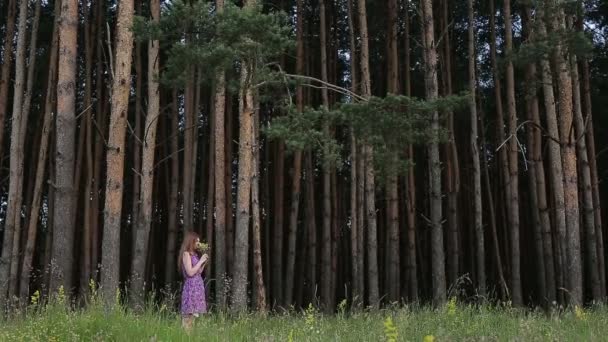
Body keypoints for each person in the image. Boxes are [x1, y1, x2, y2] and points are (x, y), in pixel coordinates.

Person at [178, 230, 208, 331]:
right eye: (197, 242)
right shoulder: (186, 254)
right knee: (188, 316)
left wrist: (203, 263)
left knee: (193, 318)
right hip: (191, 288)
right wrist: (201, 261)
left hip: (197, 287)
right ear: (191, 241)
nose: (198, 244)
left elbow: (198, 271)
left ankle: (189, 337)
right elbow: (190, 272)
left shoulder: (195, 255)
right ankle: (185, 337)